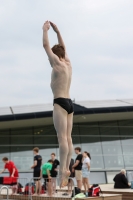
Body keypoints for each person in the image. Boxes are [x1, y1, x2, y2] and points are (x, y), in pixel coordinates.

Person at [42, 20, 73, 187]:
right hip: (70, 103)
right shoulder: (68, 63)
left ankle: (62, 171)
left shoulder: (57, 64)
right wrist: (58, 31)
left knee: (61, 138)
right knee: (68, 138)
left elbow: (46, 46)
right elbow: (64, 48)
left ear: (55, 55)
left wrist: (45, 30)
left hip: (60, 102)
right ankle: (67, 167)